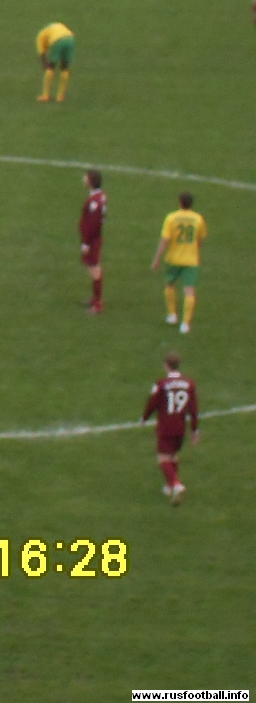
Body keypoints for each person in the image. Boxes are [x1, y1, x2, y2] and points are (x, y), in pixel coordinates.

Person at [142, 353, 199, 504]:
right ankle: (169, 486)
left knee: (162, 458)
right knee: (173, 455)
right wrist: (194, 430)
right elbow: (193, 409)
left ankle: (175, 484)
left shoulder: (161, 384)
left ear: (166, 365)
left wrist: (144, 418)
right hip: (180, 426)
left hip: (166, 426)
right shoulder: (189, 384)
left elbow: (152, 403)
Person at [151, 191, 206, 334]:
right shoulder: (198, 219)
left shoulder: (171, 218)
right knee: (189, 289)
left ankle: (172, 315)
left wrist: (156, 259)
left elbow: (165, 240)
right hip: (191, 260)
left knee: (170, 284)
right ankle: (185, 324)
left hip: (173, 259)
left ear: (179, 202)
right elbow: (200, 239)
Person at [78, 168, 106, 315]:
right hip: (94, 238)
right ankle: (95, 298)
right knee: (93, 267)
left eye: (85, 177)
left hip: (92, 240)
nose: (83, 179)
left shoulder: (94, 202)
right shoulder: (99, 197)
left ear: (90, 181)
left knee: (94, 268)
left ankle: (97, 303)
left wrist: (86, 243)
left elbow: (93, 224)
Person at [35, 20, 73, 102]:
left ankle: (45, 95)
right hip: (70, 39)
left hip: (57, 40)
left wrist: (44, 63)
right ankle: (60, 97)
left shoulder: (40, 36)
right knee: (64, 66)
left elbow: (42, 54)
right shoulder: (55, 26)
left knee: (51, 66)